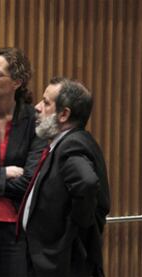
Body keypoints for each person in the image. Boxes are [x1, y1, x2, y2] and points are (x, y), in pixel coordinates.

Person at [20, 77, 111, 276]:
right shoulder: (67, 143)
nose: (37, 107)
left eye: (45, 102)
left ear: (64, 114)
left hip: (63, 265)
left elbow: (86, 184)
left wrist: (73, 234)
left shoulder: (72, 145)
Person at [0, 47, 46, 276]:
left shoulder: (33, 121)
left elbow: (29, 181)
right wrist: (5, 173)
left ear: (16, 82)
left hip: (14, 227)